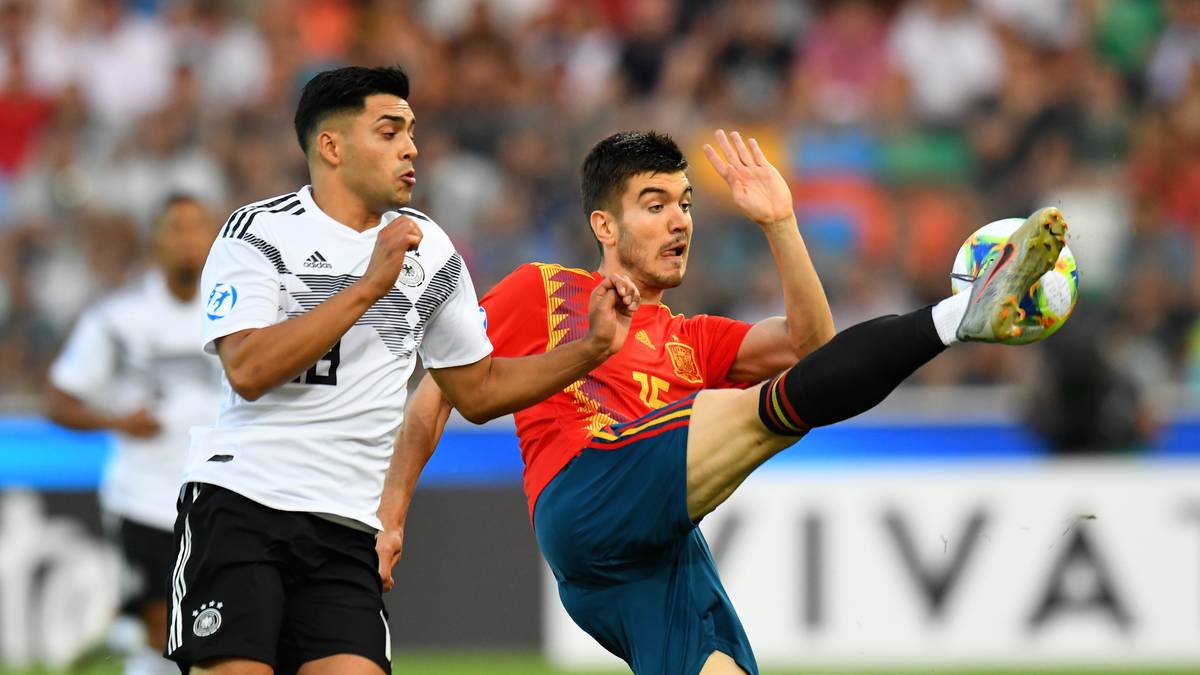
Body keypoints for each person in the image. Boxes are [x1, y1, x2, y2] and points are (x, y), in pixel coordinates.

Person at [381, 130, 1070, 675]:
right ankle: (956, 317)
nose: (679, 220)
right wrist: (392, 515)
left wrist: (782, 224)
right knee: (764, 413)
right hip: (587, 496)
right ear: (606, 225)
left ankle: (959, 315)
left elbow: (818, 355)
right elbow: (436, 393)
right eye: (655, 205)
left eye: (685, 204)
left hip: (649, 557)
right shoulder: (544, 289)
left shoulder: (695, 338)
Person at [164, 66, 639, 675]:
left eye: (411, 132)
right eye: (389, 132)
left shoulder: (431, 251)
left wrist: (591, 350)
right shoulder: (260, 231)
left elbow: (478, 389)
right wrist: (368, 285)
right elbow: (248, 369)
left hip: (345, 528)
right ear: (331, 148)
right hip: (242, 503)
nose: (411, 147)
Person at [46, 194, 223, 675]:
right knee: (163, 628)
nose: (188, 239)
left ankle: (121, 637)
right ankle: (130, 635)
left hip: (222, 499)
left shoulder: (237, 312)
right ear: (156, 242)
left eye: (197, 227)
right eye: (176, 228)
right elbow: (59, 400)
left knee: (209, 636)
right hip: (143, 497)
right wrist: (118, 422)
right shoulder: (119, 319)